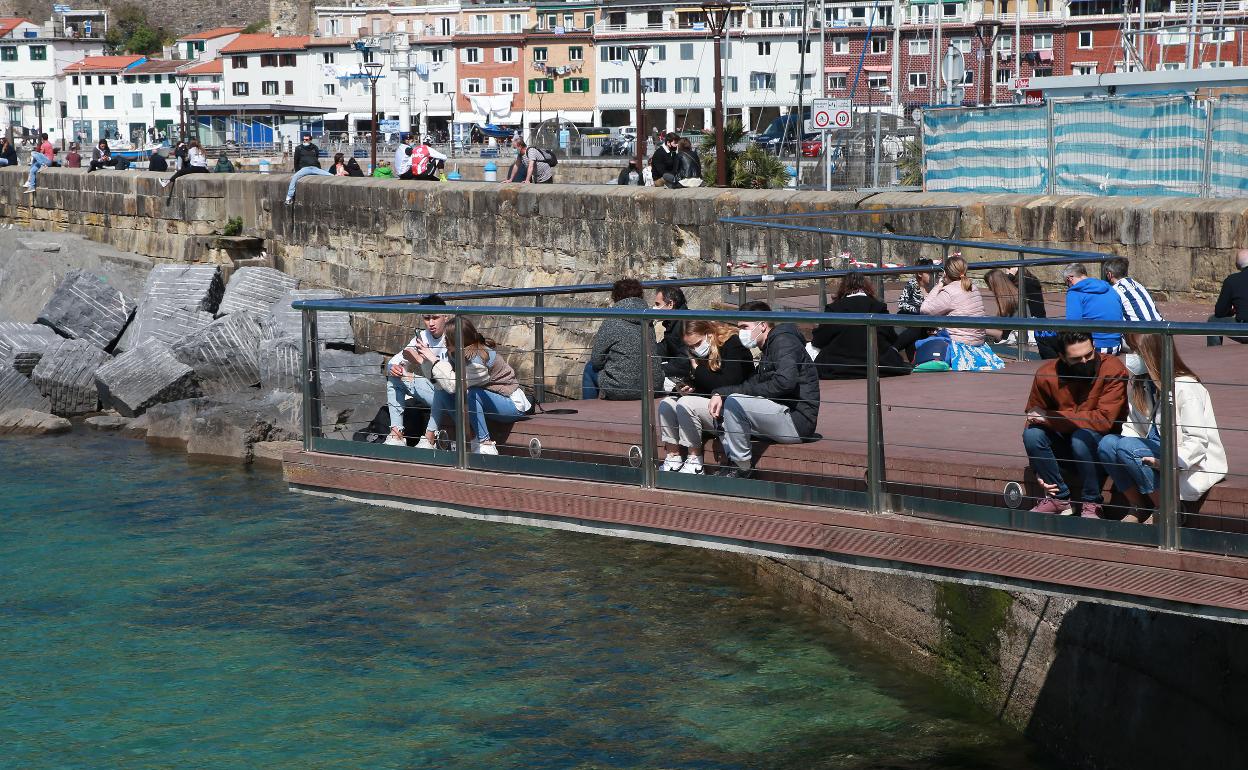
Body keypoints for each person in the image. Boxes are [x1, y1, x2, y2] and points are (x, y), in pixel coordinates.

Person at [1097, 333, 1226, 522]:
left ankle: (1167, 509)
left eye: (1135, 352)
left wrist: (1167, 461)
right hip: (1151, 447)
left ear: (1151, 354)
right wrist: (1123, 450)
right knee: (1107, 444)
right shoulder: (1141, 384)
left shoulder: (1185, 387)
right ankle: (1138, 505)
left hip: (1180, 455)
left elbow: (1197, 441)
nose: (1130, 357)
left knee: (1126, 447)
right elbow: (1132, 427)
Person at [706, 301, 821, 478]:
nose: (741, 332)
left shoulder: (783, 342)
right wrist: (721, 392)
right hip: (781, 412)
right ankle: (732, 462)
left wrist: (734, 395)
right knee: (725, 404)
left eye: (744, 327)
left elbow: (785, 382)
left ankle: (742, 468)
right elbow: (752, 384)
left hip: (797, 421)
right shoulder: (768, 347)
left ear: (763, 325)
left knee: (735, 403)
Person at [1022, 331, 1128, 518]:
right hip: (1065, 448)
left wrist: (1052, 418)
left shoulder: (1112, 368)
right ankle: (1058, 499)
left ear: (1094, 346)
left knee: (1082, 438)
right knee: (1032, 434)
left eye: (1089, 354)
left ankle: (1092, 503)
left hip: (1099, 449)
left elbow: (1104, 420)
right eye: (1077, 359)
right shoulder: (1047, 374)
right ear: (1062, 357)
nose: (1085, 361)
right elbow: (1033, 419)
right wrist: (1039, 468)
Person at [418, 317, 531, 455]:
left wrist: (433, 359)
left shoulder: (478, 360)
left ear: (459, 340)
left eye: (447, 338)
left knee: (472, 392)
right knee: (441, 390)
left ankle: (486, 444)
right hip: (488, 402)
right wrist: (425, 360)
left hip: (511, 404)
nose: (444, 341)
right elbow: (441, 383)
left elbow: (453, 385)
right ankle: (432, 437)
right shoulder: (454, 353)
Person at [658, 320, 755, 475]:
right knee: (667, 404)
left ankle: (695, 461)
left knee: (686, 403)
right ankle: (673, 457)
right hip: (711, 405)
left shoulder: (732, 344)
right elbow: (703, 383)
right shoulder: (695, 352)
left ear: (709, 334)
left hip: (731, 409)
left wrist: (697, 369)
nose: (694, 349)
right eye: (690, 346)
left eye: (697, 344)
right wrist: (687, 387)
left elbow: (726, 384)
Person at [809, 271, 910, 379]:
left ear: (843, 287)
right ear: (866, 286)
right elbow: (891, 337)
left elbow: (819, 340)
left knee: (810, 349)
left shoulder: (834, 308)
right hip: (878, 363)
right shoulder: (879, 306)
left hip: (839, 365)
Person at [917, 256, 1005, 372]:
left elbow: (925, 310)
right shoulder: (973, 287)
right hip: (978, 343)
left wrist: (938, 286)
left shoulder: (949, 291)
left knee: (920, 340)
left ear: (946, 273)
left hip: (958, 344)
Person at [384, 295, 451, 447]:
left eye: (435, 318)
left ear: (446, 317)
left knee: (440, 387)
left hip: (450, 394)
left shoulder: (453, 336)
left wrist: (422, 359)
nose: (431, 323)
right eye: (427, 318)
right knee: (396, 376)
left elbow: (449, 380)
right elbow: (396, 359)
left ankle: (430, 438)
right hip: (432, 389)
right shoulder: (422, 337)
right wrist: (393, 367)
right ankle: (396, 434)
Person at [583, 279, 660, 400]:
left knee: (589, 368)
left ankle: (588, 407)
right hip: (652, 386)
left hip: (622, 388)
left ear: (616, 297)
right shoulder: (648, 319)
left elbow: (596, 360)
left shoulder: (612, 321)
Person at [1038, 263, 1124, 358]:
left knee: (1040, 333)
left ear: (1069, 279)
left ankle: (1061, 365)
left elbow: (1072, 326)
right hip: (1115, 346)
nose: (1068, 287)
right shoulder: (1109, 288)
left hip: (1093, 348)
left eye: (1067, 284)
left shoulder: (1075, 292)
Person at [653, 286, 692, 389]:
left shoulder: (685, 325)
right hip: (679, 370)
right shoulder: (673, 322)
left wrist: (655, 368)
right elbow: (666, 347)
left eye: (657, 304)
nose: (654, 308)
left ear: (670, 304)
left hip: (688, 377)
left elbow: (684, 362)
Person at [1208, 249, 1248, 345]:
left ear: (1237, 265)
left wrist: (1231, 312)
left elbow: (1219, 312)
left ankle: (1214, 351)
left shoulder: (1232, 280)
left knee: (1213, 320)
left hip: (1244, 330)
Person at [1104, 257, 1162, 323]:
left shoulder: (1114, 290)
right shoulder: (1139, 285)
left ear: (1109, 275)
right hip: (1160, 325)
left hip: (1137, 327)